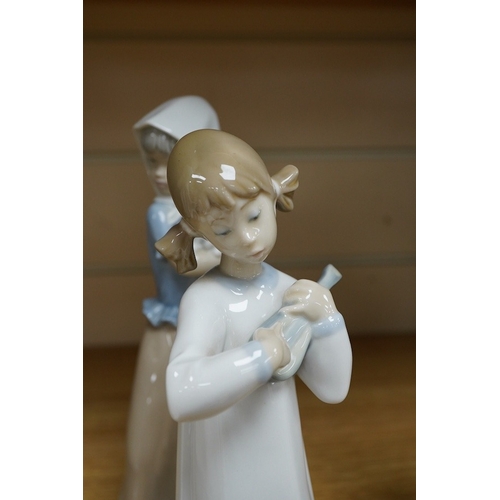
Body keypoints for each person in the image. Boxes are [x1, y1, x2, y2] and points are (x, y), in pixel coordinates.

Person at [156, 129, 352, 500]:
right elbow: (182, 392)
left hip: (278, 457)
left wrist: (327, 321)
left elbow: (333, 389)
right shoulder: (206, 301)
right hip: (221, 462)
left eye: (255, 216)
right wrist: (260, 357)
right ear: (201, 234)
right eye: (223, 229)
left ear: (272, 195)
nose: (247, 238)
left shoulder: (288, 292)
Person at [119, 97, 221, 500]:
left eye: (171, 162)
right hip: (174, 326)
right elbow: (186, 263)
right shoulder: (163, 213)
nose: (160, 173)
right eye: (152, 161)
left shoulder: (204, 208)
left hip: (204, 325)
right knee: (154, 428)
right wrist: (232, 251)